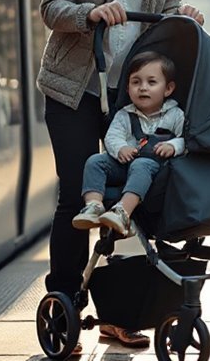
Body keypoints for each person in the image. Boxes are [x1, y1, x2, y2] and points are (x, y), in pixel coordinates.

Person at [37, 0, 204, 351]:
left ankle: (118, 310)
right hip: (77, 91)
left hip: (137, 99)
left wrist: (186, 17)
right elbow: (51, 7)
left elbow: (169, 10)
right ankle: (65, 300)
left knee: (131, 198)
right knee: (77, 194)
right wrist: (89, 11)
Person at [72, 51, 184, 235]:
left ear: (168, 89)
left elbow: (185, 140)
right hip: (125, 165)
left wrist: (173, 146)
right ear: (127, 89)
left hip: (157, 168)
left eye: (152, 82)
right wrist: (120, 148)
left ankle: (123, 211)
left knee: (141, 164)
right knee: (95, 161)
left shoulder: (175, 115)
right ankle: (94, 206)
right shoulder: (124, 115)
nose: (143, 88)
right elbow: (112, 137)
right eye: (136, 82)